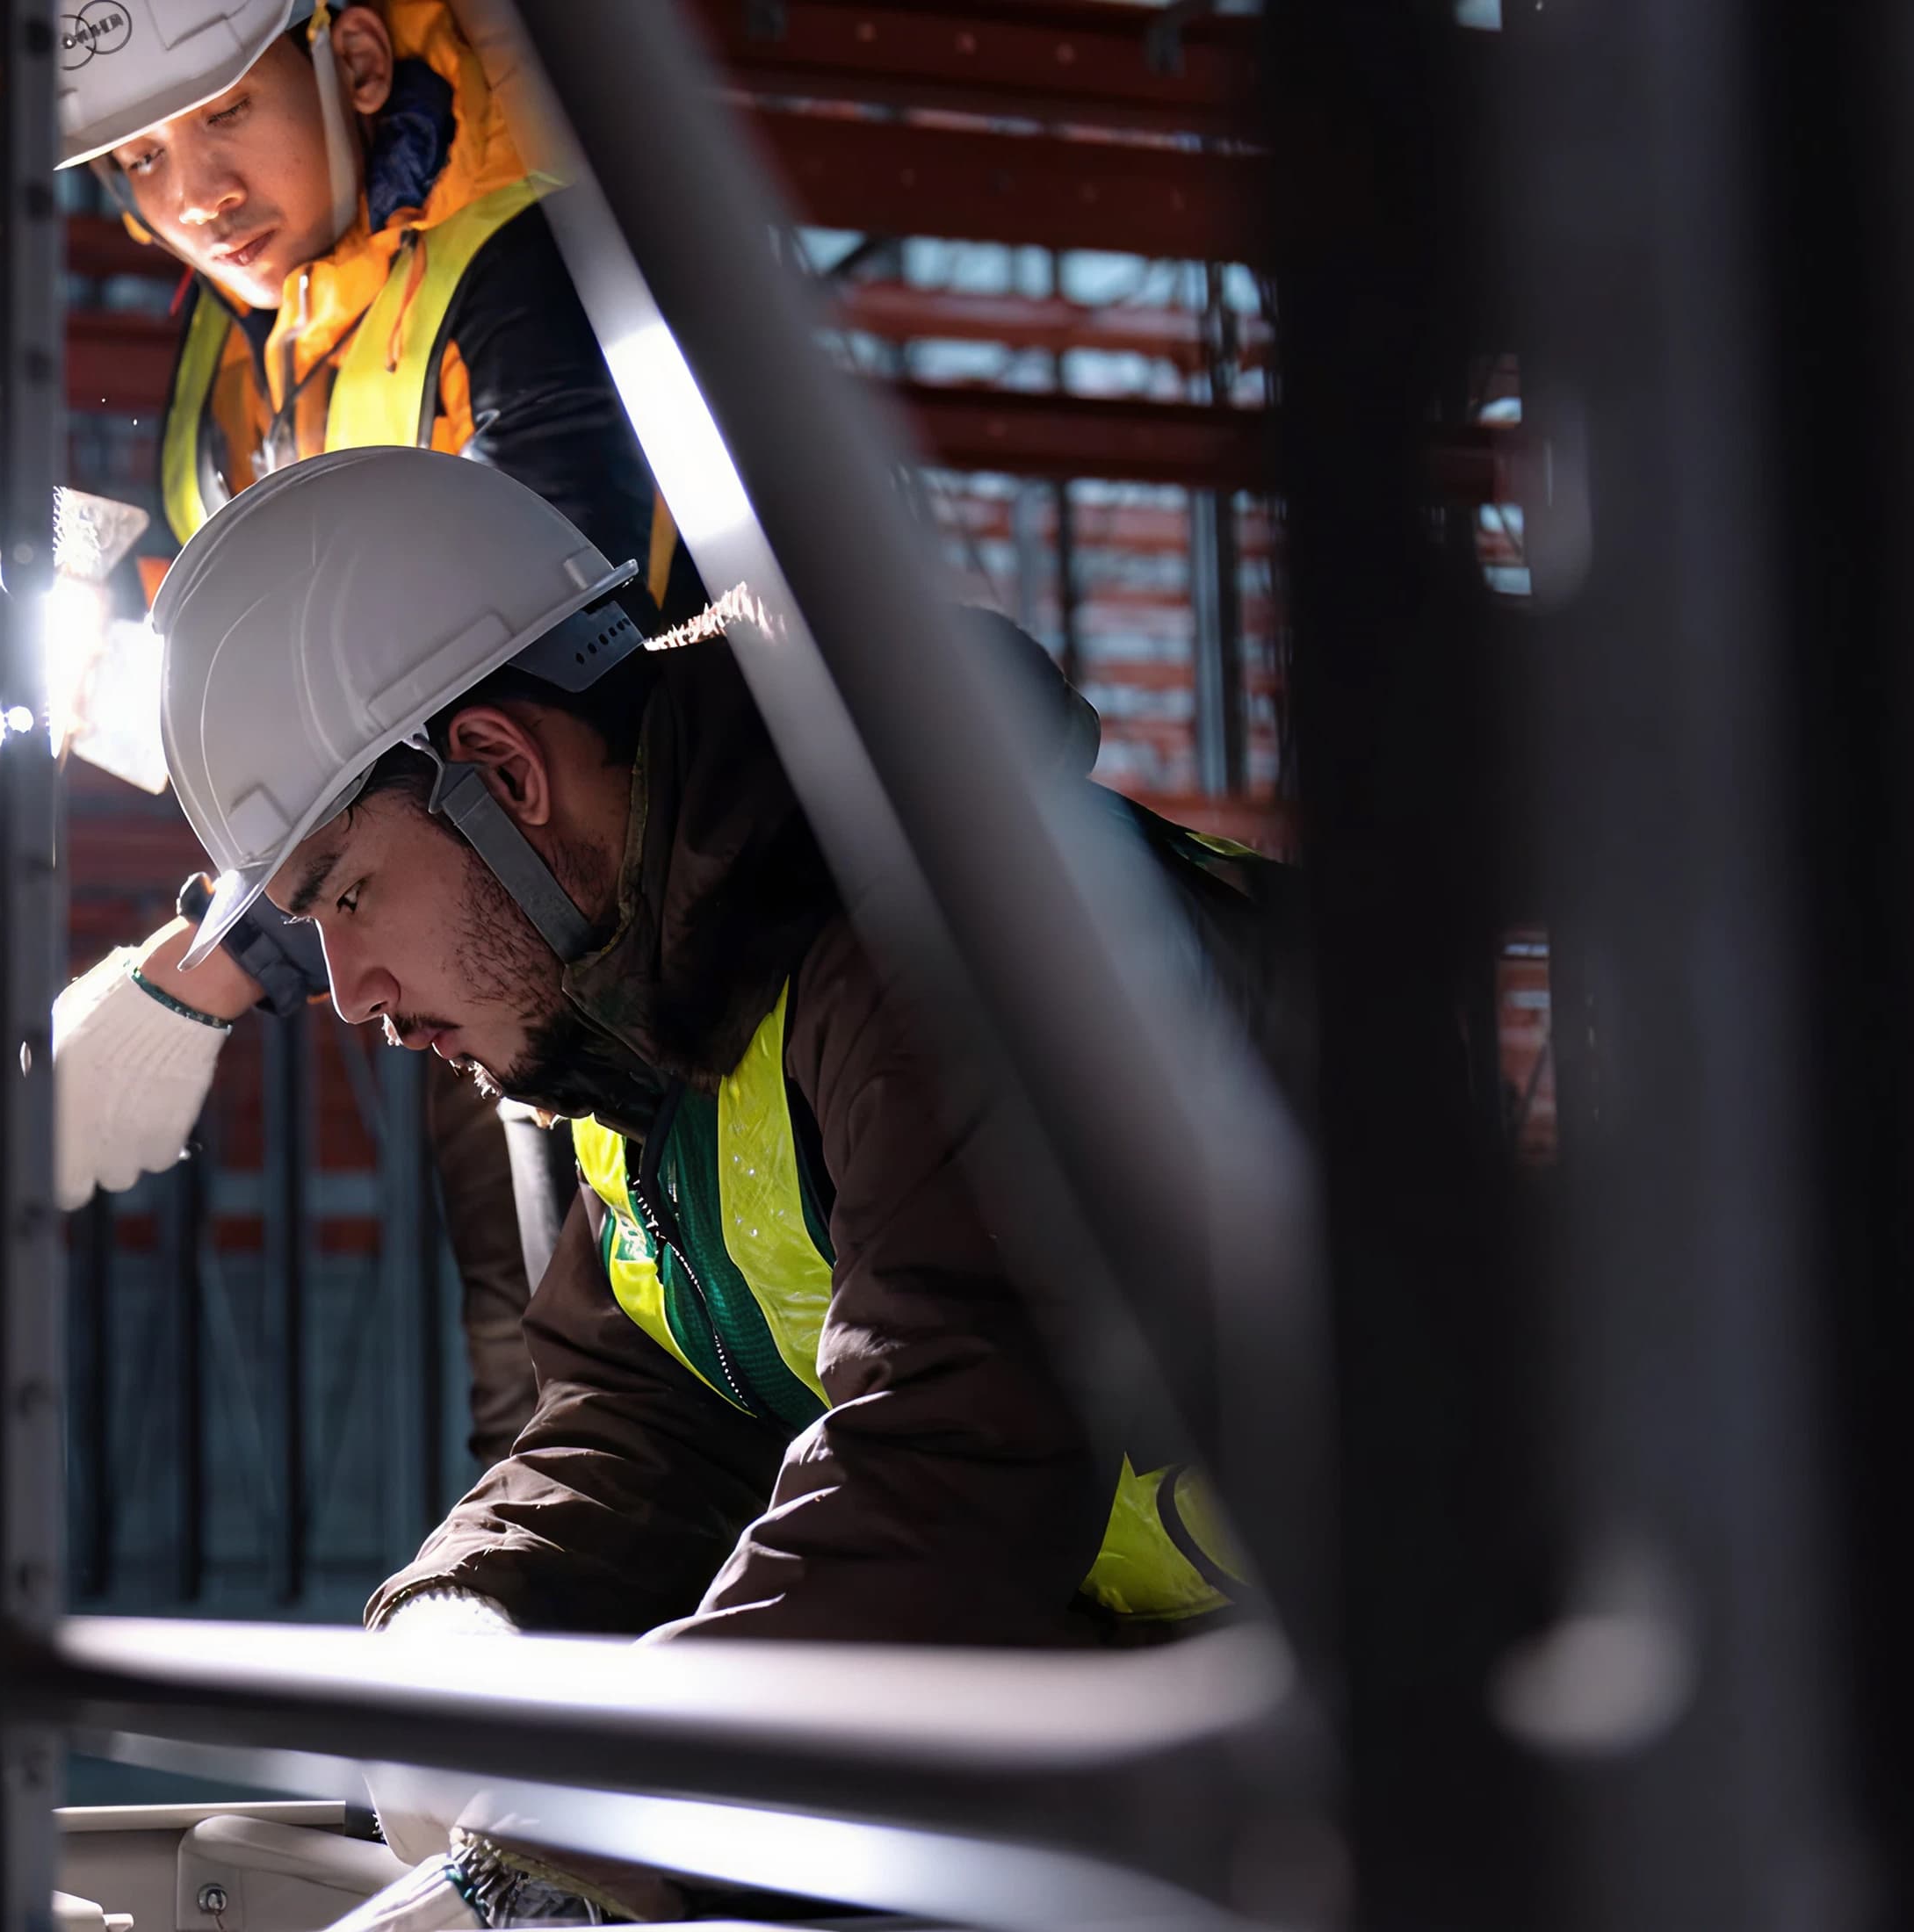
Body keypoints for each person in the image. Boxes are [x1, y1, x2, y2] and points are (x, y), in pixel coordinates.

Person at [153, 445, 1276, 1656]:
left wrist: (635, 1748)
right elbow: (659, 1413)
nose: (351, 994)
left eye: (349, 894)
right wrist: (467, 1619)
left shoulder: (938, 943)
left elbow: (959, 1457)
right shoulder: (650, 1004)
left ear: (505, 774)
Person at [48, 0, 695, 1466]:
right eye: (140, 158)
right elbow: (258, 675)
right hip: (470, 948)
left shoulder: (526, 266)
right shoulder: (241, 349)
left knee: (672, 1392)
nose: (193, 191)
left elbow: (531, 674)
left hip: (663, 940)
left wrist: (212, 966)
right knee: (545, 1385)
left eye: (225, 112)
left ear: (348, 64)